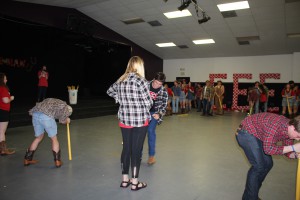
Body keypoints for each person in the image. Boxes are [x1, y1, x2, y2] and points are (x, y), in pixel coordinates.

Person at [107, 56, 152, 191]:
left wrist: (120, 99)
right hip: (139, 120)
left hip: (124, 119)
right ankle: (135, 183)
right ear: (140, 66)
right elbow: (148, 103)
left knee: (126, 149)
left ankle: (125, 180)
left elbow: (109, 91)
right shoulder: (141, 81)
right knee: (136, 151)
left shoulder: (121, 80)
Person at [235, 113, 300, 200]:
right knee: (259, 167)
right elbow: (268, 149)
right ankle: (250, 198)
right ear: (292, 126)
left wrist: (295, 154)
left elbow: (287, 152)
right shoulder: (275, 125)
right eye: (298, 136)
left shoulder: (290, 131)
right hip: (245, 132)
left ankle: (251, 194)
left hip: (258, 135)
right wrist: (293, 147)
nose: (298, 139)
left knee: (268, 164)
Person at [24, 98, 72, 168]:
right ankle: (57, 161)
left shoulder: (55, 102)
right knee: (54, 139)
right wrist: (67, 120)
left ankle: (27, 159)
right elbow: (62, 121)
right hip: (46, 116)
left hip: (35, 114)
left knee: (38, 137)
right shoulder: (65, 107)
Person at [147, 72, 168, 165]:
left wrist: (159, 114)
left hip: (154, 113)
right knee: (140, 133)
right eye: (156, 83)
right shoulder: (145, 85)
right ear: (153, 79)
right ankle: (137, 154)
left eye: (160, 84)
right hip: (143, 113)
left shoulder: (163, 91)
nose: (157, 86)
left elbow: (164, 106)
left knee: (151, 131)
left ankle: (151, 156)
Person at [0, 73, 15, 155]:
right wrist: (11, 98)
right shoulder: (3, 88)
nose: (6, 80)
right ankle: (3, 150)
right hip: (3, 112)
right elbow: (5, 100)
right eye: (5, 79)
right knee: (2, 132)